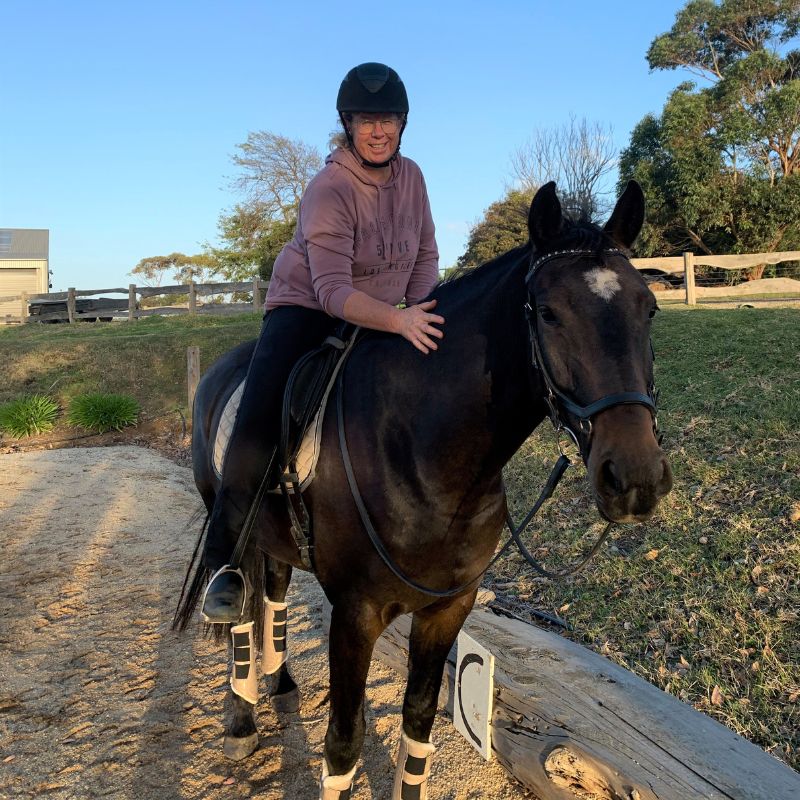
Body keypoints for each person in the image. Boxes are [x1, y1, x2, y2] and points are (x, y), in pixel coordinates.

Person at [201, 62, 444, 622]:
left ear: (403, 124)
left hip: (384, 314)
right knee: (262, 414)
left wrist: (418, 307)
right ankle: (225, 560)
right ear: (348, 125)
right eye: (365, 121)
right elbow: (332, 291)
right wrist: (399, 320)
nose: (377, 130)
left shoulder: (414, 178)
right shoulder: (329, 188)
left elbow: (426, 254)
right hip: (307, 309)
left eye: (387, 119)